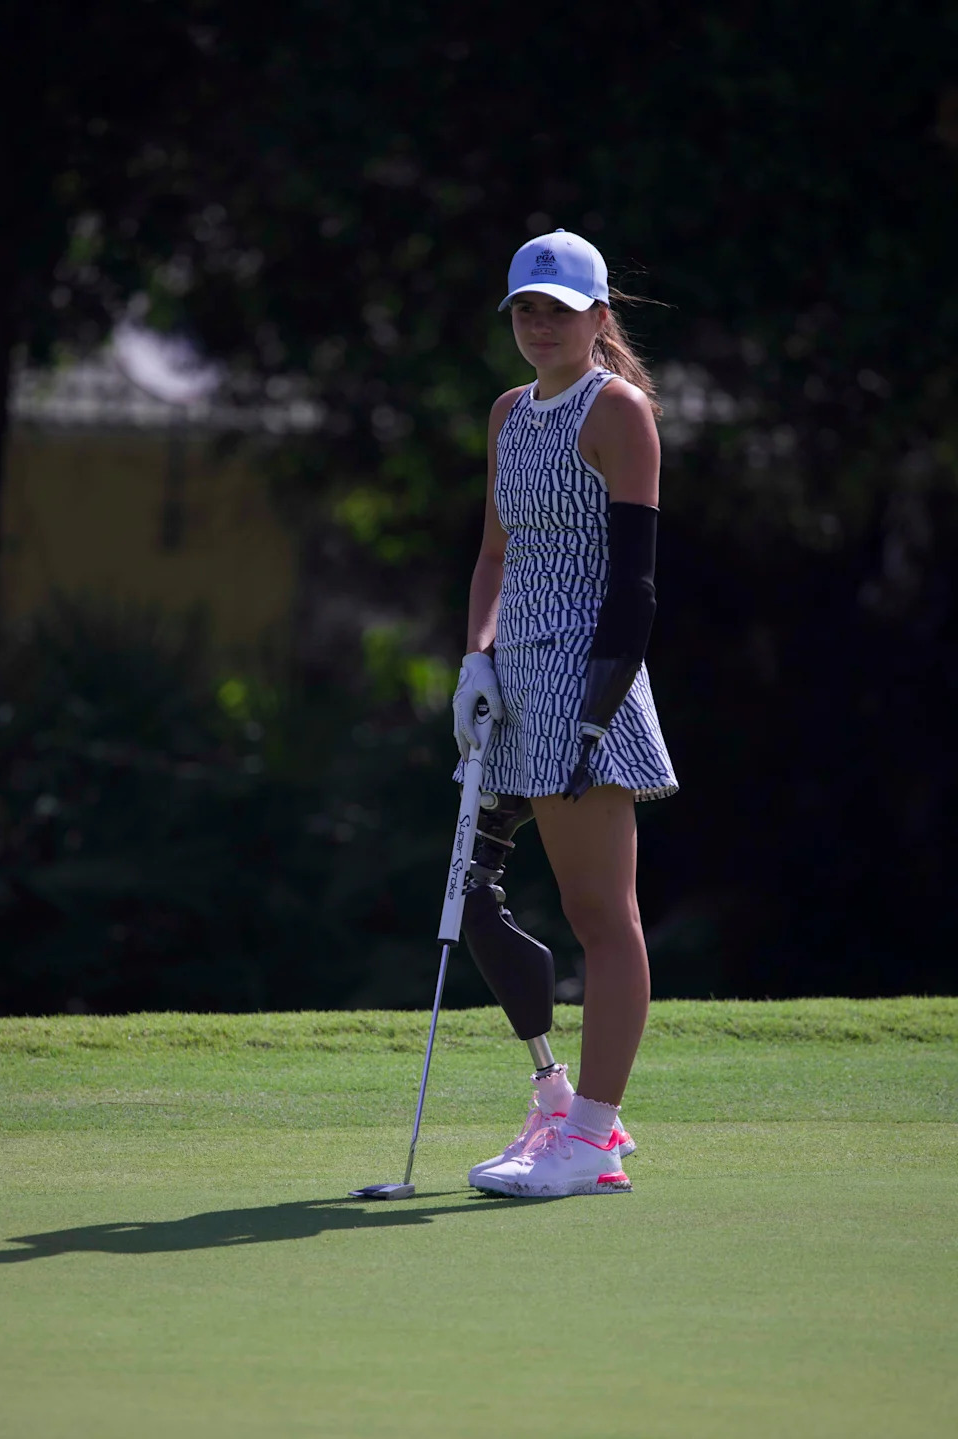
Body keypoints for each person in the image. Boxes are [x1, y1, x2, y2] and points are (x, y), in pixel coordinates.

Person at [451, 229, 678, 1198]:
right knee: (468, 897)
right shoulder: (509, 412)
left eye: (558, 307)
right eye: (524, 309)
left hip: (590, 684)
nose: (539, 324)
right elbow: (496, 556)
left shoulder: (617, 410)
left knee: (600, 913)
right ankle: (551, 1101)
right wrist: (474, 657)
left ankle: (593, 1135)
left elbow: (634, 585)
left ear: (598, 315)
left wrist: (594, 708)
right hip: (512, 689)